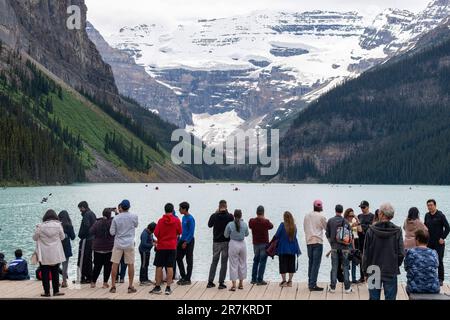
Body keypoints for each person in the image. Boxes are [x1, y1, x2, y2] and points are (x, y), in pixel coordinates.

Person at [362, 203, 405, 300]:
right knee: (390, 298)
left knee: (373, 298)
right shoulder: (397, 231)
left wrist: (365, 271)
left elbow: (366, 253)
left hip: (373, 269)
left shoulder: (371, 230)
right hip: (390, 269)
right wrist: (395, 263)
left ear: (380, 214)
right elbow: (401, 253)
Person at [150, 203, 182, 295]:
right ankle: (168, 288)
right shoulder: (176, 221)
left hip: (161, 246)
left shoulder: (160, 221)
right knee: (170, 267)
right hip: (172, 246)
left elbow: (155, 233)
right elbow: (180, 231)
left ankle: (157, 287)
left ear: (164, 210)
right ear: (172, 210)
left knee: (159, 266)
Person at [33, 209, 66, 297]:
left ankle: (47, 292)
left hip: (44, 254)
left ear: (45, 217)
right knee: (55, 272)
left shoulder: (40, 226)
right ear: (55, 216)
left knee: (44, 273)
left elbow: (35, 238)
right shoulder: (58, 225)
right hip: (55, 252)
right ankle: (56, 291)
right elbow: (62, 237)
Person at [109, 200, 139, 294]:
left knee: (115, 264)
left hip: (118, 243)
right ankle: (130, 286)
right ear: (129, 207)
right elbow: (136, 225)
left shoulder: (116, 218)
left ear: (121, 207)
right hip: (129, 243)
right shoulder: (134, 216)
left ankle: (113, 286)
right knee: (130, 264)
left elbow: (112, 232)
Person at [207, 200, 234, 289]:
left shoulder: (214, 216)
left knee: (214, 261)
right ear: (226, 206)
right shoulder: (230, 216)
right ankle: (221, 283)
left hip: (216, 242)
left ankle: (210, 282)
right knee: (224, 262)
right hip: (226, 242)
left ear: (219, 206)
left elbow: (209, 225)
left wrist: (215, 213)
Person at [326, 205, 353, 294]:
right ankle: (347, 288)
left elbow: (327, 234)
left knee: (334, 268)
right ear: (342, 211)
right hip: (345, 248)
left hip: (334, 248)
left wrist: (332, 244)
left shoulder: (330, 221)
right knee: (345, 268)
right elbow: (351, 236)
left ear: (335, 210)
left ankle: (333, 288)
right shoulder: (346, 221)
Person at [404, 229, 440, 294]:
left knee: (408, 287)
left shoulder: (411, 252)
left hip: (415, 288)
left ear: (417, 239)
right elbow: (436, 266)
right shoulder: (434, 253)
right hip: (433, 288)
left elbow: (406, 268)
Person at [424, 199, 449, 286]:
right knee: (429, 261)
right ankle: (430, 277)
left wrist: (443, 237)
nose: (429, 207)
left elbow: (448, 227)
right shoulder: (427, 215)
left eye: (431, 205)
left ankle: (440, 279)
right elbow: (425, 228)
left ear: (435, 205)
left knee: (439, 261)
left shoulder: (440, 215)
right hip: (429, 242)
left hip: (439, 243)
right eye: (428, 205)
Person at [303, 200, 327, 291]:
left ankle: (310, 283)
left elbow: (305, 227)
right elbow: (326, 228)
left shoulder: (307, 216)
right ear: (320, 207)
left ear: (313, 206)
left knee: (311, 263)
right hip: (317, 241)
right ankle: (313, 285)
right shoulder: (322, 216)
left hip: (309, 242)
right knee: (316, 264)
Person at [274, 211, 301, 287]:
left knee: (283, 265)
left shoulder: (282, 225)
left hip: (283, 249)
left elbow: (277, 235)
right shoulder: (294, 226)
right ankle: (290, 281)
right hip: (292, 249)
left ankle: (284, 281)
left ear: (284, 218)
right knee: (291, 265)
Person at [224, 209, 249, 291]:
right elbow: (247, 234)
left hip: (233, 244)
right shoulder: (244, 224)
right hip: (242, 244)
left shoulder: (230, 224)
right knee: (242, 263)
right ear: (241, 215)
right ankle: (241, 283)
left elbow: (226, 235)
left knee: (233, 264)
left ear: (234, 216)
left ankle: (234, 285)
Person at [90, 208, 115, 289]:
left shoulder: (97, 223)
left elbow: (91, 231)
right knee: (107, 266)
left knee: (97, 266)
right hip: (109, 248)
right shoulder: (111, 222)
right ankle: (105, 283)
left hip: (97, 248)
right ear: (110, 215)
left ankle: (93, 282)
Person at [249, 205, 273, 285]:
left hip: (255, 244)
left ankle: (253, 279)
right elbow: (271, 226)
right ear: (263, 213)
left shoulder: (252, 221)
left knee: (255, 260)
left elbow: (250, 225)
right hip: (264, 244)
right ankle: (260, 279)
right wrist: (264, 218)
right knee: (262, 262)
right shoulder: (266, 222)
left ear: (256, 212)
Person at [77, 201, 96, 284]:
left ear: (83, 207)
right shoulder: (92, 213)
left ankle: (82, 277)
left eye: (80, 209)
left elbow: (86, 227)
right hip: (92, 239)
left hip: (86, 239)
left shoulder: (86, 215)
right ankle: (89, 277)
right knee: (88, 259)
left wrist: (81, 235)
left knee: (82, 259)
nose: (80, 211)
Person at [176, 202, 195, 286]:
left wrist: (186, 242)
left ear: (184, 209)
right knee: (178, 258)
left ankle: (188, 279)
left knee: (189, 260)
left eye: (180, 208)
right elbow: (182, 230)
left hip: (189, 241)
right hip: (181, 240)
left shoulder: (190, 219)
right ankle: (183, 276)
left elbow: (191, 232)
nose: (179, 210)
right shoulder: (183, 217)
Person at [356, 200, 374, 283]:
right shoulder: (359, 216)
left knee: (370, 260)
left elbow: (370, 228)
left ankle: (370, 276)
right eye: (361, 207)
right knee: (361, 259)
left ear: (368, 207)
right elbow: (357, 228)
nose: (362, 209)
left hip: (369, 241)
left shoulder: (372, 216)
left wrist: (361, 226)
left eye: (363, 207)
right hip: (360, 240)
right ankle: (362, 276)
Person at [58, 210, 75, 287]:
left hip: (57, 247)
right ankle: (64, 282)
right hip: (66, 247)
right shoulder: (69, 226)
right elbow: (73, 237)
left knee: (56, 265)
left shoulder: (57, 225)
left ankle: (56, 281)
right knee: (65, 265)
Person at [345, 208, 362, 284]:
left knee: (354, 262)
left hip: (354, 241)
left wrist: (357, 219)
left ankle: (354, 279)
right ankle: (347, 279)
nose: (351, 217)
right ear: (347, 215)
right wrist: (351, 226)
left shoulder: (355, 221)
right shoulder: (345, 222)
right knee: (347, 262)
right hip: (347, 242)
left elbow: (360, 230)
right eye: (350, 215)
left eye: (352, 215)